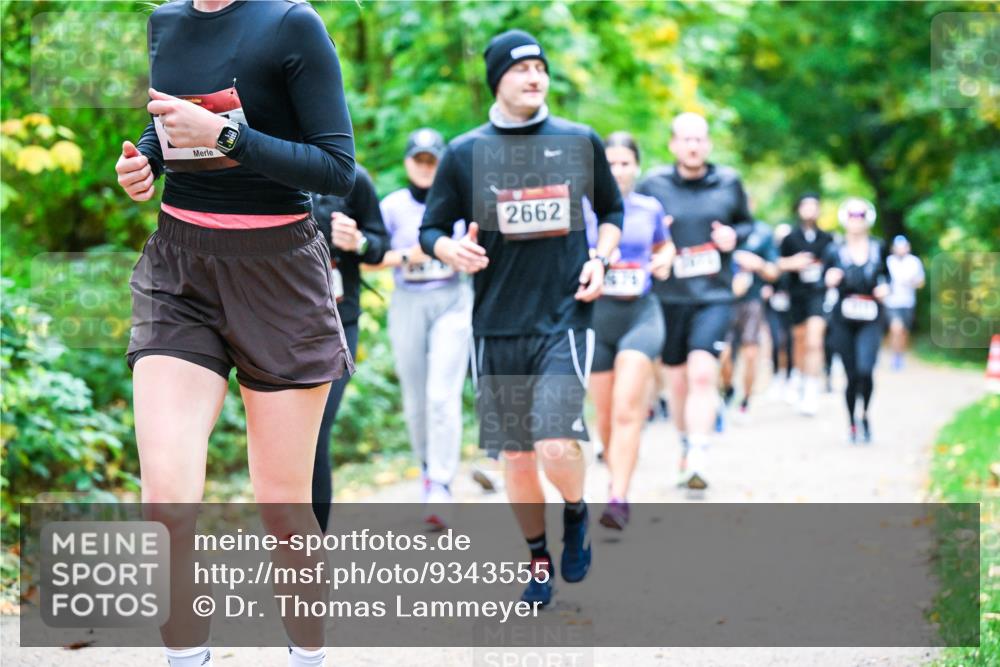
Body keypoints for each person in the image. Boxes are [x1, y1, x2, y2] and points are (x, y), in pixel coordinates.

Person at [118, 1, 355, 665]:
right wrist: (145, 161)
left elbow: (336, 167)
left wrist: (225, 136)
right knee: (165, 500)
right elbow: (169, 127)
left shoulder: (290, 23)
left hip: (279, 276)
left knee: (282, 508)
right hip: (181, 268)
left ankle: (307, 656)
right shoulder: (165, 22)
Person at [419, 30, 624, 606]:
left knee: (556, 441)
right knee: (515, 453)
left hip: (564, 316)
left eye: (541, 67)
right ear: (496, 80)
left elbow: (611, 208)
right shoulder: (464, 153)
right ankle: (538, 558)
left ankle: (577, 512)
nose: (535, 77)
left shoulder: (578, 140)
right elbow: (431, 229)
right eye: (521, 69)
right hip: (496, 324)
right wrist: (448, 250)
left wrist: (601, 258)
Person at [637, 112, 753, 490]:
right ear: (673, 144)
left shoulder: (729, 183)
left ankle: (701, 450)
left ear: (708, 144)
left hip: (713, 294)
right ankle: (686, 445)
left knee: (703, 372)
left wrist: (733, 237)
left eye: (699, 139)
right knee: (678, 381)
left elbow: (748, 224)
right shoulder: (653, 185)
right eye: (685, 139)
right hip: (669, 297)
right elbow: (631, 225)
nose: (693, 146)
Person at [372, 128, 472, 527]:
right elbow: (370, 256)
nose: (426, 166)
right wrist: (405, 256)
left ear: (443, 162)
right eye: (420, 159)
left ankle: (443, 484)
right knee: (415, 400)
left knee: (440, 395)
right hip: (408, 302)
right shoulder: (393, 206)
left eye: (433, 159)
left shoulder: (461, 202)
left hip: (452, 299)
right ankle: (429, 469)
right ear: (408, 163)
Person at [589, 132, 674, 530]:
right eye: (610, 163)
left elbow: (664, 246)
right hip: (596, 318)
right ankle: (613, 473)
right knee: (605, 415)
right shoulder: (583, 210)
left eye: (625, 163)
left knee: (627, 407)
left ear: (636, 166)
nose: (618, 170)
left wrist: (665, 261)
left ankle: (619, 497)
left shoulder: (649, 207)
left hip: (641, 313)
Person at [310, 165, 389, 533]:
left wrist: (357, 242)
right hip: (277, 323)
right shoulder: (264, 166)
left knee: (316, 428)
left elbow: (379, 246)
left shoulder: (352, 177)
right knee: (287, 440)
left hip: (339, 322)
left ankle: (311, 547)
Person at [823, 198, 890, 444]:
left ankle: (865, 414)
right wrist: (829, 278)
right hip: (843, 317)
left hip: (871, 316)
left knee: (865, 369)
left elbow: (886, 277)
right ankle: (852, 421)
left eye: (860, 215)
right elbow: (823, 279)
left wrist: (884, 288)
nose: (856, 220)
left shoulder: (879, 246)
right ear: (845, 219)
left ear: (867, 219)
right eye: (852, 215)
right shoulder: (834, 249)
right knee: (851, 374)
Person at [778, 193, 834, 415]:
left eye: (814, 206)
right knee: (800, 340)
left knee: (815, 340)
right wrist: (792, 265)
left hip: (818, 294)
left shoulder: (827, 239)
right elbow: (777, 265)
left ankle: (812, 389)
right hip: (797, 294)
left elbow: (834, 265)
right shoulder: (790, 238)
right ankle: (798, 377)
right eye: (806, 206)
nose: (810, 210)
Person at [719, 217, 780, 420]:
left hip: (752, 302)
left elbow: (773, 271)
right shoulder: (718, 227)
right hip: (723, 301)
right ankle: (728, 390)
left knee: (752, 353)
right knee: (723, 353)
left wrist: (757, 264)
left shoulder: (762, 232)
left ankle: (745, 400)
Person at [885, 235, 925, 370]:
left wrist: (912, 282)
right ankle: (894, 356)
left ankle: (900, 354)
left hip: (907, 302)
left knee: (904, 331)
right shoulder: (888, 262)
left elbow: (921, 282)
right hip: (891, 302)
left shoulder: (914, 262)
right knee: (895, 328)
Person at [763, 223, 794, 399]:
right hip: (773, 305)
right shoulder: (771, 256)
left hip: (791, 306)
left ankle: (790, 377)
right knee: (776, 340)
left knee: (789, 341)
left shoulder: (795, 258)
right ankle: (776, 377)